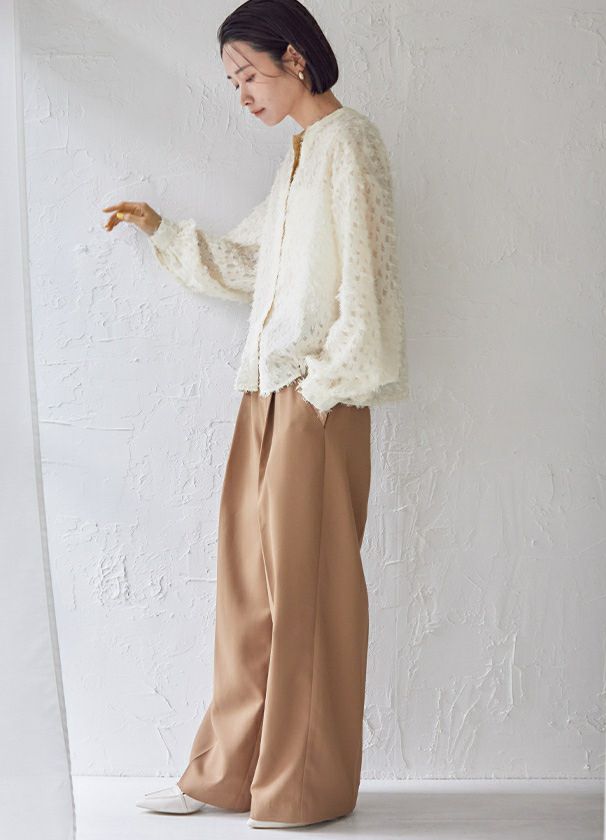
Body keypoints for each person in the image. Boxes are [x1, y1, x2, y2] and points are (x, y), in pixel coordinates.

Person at [102, 0, 408, 830]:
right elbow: (252, 264)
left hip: (318, 399)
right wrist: (163, 231)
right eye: (232, 81)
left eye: (247, 75)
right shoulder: (299, 158)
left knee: (308, 596)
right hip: (265, 393)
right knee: (249, 597)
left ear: (294, 60)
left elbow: (369, 279)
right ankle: (225, 776)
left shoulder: (351, 143)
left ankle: (301, 789)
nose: (240, 94)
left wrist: (324, 388)